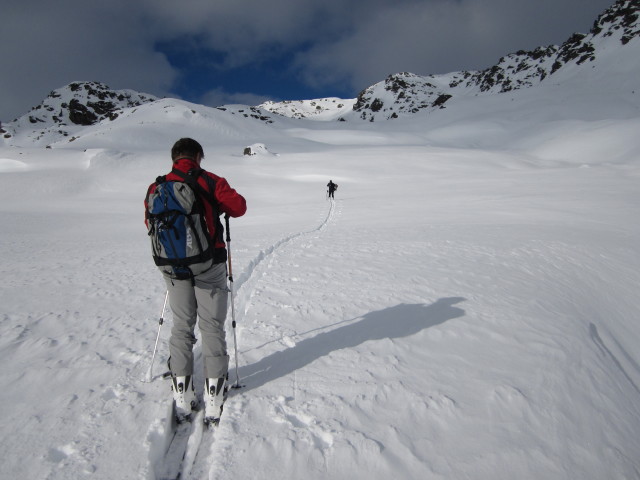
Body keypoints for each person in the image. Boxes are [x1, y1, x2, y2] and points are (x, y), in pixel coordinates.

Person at [145, 138, 247, 424]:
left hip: (172, 267)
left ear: (174, 157)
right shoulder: (210, 181)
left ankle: (182, 392)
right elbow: (239, 207)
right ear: (199, 156)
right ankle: (214, 396)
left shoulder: (157, 188)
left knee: (181, 325)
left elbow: (149, 223)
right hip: (209, 264)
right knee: (211, 326)